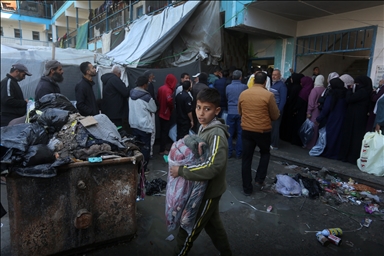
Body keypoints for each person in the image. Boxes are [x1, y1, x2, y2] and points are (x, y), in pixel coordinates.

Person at [169, 88, 232, 256]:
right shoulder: (204, 126)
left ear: (217, 111)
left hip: (208, 192)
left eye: (207, 108)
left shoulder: (217, 134)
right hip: (202, 188)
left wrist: (182, 171)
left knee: (188, 228)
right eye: (198, 107)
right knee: (213, 225)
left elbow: (213, 166)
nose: (201, 113)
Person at [238, 72, 279, 195]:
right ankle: (259, 179)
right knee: (265, 153)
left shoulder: (244, 94)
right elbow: (275, 115)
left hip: (246, 130)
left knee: (246, 158)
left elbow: (240, 112)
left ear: (254, 80)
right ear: (265, 82)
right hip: (263, 131)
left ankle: (247, 188)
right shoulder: (268, 95)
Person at [338, 75, 371, 164]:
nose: (355, 85)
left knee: (354, 138)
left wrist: (349, 90)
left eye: (357, 83)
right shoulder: (365, 91)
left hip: (357, 118)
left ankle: (351, 157)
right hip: (357, 117)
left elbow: (349, 99)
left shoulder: (362, 92)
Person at [129, 76, 157, 172]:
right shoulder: (147, 97)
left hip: (133, 124)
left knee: (136, 148)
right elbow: (154, 109)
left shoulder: (131, 94)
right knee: (145, 149)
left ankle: (136, 167)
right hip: (144, 127)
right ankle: (143, 169)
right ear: (145, 84)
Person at [315, 77, 347, 160]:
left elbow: (326, 108)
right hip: (343, 117)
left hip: (333, 117)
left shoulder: (332, 94)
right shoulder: (346, 93)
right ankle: (336, 153)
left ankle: (329, 152)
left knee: (330, 135)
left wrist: (319, 118)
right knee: (339, 136)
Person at [226, 70, 248, 159]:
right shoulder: (245, 87)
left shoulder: (228, 87)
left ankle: (229, 153)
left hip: (230, 111)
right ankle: (239, 153)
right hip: (241, 112)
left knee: (229, 133)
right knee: (240, 133)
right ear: (240, 77)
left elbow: (227, 96)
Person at [157, 74, 177, 155]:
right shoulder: (168, 90)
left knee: (162, 131)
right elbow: (169, 101)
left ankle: (163, 147)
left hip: (160, 112)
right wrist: (171, 108)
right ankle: (162, 149)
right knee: (165, 132)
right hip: (166, 113)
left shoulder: (161, 88)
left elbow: (158, 98)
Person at [306, 74, 326, 149]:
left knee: (311, 128)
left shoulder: (314, 90)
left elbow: (311, 102)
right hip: (320, 111)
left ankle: (310, 144)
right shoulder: (324, 89)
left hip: (314, 111)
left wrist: (308, 112)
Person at [269, 69, 287, 149]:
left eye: (276, 75)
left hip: (277, 109)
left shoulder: (282, 86)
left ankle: (274, 144)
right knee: (271, 127)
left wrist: (278, 111)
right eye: (273, 74)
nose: (274, 76)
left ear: (279, 76)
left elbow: (283, 100)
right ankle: (271, 142)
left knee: (275, 128)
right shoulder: (273, 84)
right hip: (271, 109)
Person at [144, 70, 157, 158]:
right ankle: (150, 152)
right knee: (152, 131)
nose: (154, 77)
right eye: (152, 76)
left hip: (143, 112)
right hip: (150, 110)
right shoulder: (150, 86)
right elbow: (151, 98)